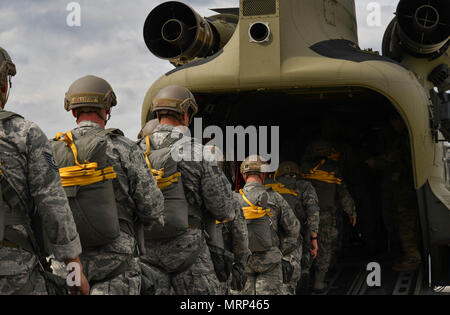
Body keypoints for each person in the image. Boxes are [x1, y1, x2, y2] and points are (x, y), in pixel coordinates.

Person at [51, 75, 164, 295]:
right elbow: (153, 209)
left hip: (67, 267)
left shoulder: (51, 150)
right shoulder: (125, 148)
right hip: (115, 265)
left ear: (73, 111)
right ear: (107, 110)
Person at [0, 46, 89, 295]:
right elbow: (53, 204)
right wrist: (74, 269)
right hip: (13, 268)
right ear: (4, 86)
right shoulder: (25, 133)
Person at [137, 85, 235, 295]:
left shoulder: (133, 151)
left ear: (157, 114)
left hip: (146, 253)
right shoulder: (196, 151)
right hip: (190, 254)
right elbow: (223, 208)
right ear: (185, 115)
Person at [234, 155, 300, 295]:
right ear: (263, 175)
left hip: (242, 263)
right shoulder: (275, 198)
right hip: (269, 261)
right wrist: (280, 252)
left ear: (244, 175)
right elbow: (294, 229)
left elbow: (222, 232)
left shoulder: (233, 199)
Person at [365, 114, 421, 271]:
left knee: (406, 222)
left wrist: (375, 162)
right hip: (401, 187)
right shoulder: (401, 137)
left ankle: (412, 258)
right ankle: (406, 255)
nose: (393, 125)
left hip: (405, 188)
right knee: (400, 221)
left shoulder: (404, 138)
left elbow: (392, 158)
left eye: (395, 121)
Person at [301, 139, 357, 293]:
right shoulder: (333, 171)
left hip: (305, 215)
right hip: (325, 215)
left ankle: (304, 272)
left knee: (305, 245)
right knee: (324, 248)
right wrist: (351, 212)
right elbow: (343, 194)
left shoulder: (303, 170)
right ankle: (319, 282)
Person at [265, 161, 320, 294]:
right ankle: (303, 275)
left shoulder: (267, 185)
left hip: (269, 233)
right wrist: (314, 237)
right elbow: (313, 212)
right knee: (297, 266)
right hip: (295, 233)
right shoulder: (304, 186)